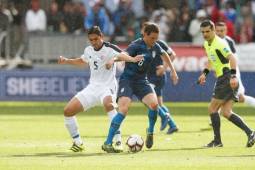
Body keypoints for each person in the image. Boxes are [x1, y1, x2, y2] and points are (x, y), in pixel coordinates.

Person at [58, 26, 143, 152]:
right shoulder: (88, 50)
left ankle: (117, 141)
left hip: (107, 87)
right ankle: (78, 142)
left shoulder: (110, 48)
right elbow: (82, 60)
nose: (94, 42)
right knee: (67, 111)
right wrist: (67, 61)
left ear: (101, 37)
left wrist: (131, 59)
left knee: (109, 105)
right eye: (91, 40)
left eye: (96, 39)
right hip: (93, 88)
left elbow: (123, 55)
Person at [102, 23, 179, 153]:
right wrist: (129, 59)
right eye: (152, 38)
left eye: (156, 38)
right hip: (128, 80)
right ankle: (108, 142)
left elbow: (165, 54)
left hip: (142, 81)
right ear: (145, 35)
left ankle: (150, 131)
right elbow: (121, 55)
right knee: (123, 109)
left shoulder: (155, 46)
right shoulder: (136, 45)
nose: (154, 41)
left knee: (154, 105)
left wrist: (172, 70)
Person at [197, 20, 255, 147]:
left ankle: (217, 141)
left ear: (213, 30)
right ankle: (251, 133)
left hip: (226, 77)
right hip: (225, 78)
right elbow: (210, 60)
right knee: (226, 112)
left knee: (212, 108)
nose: (205, 34)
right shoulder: (207, 44)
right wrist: (204, 73)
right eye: (203, 32)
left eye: (207, 31)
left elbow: (233, 58)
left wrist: (233, 76)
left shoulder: (219, 43)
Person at [142, 22, 178, 134]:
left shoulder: (159, 43)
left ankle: (166, 119)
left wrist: (164, 67)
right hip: (149, 77)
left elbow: (173, 55)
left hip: (157, 77)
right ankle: (172, 125)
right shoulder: (142, 44)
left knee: (148, 101)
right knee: (159, 104)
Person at [215, 22, 255, 108]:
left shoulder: (228, 42)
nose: (219, 33)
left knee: (240, 97)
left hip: (231, 71)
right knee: (219, 96)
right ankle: (214, 118)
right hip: (222, 73)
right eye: (217, 30)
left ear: (225, 31)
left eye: (221, 30)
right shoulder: (212, 42)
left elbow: (233, 59)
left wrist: (233, 74)